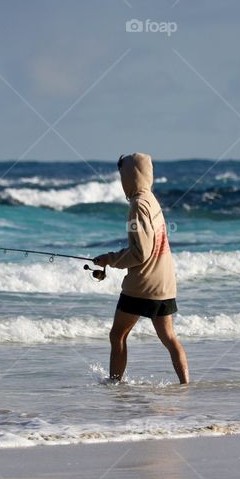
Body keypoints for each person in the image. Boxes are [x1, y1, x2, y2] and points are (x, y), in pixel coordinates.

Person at [94, 153, 190, 384]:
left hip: (142, 285)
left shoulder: (138, 205)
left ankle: (115, 384)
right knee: (169, 338)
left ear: (129, 175)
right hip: (164, 282)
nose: (121, 180)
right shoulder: (152, 199)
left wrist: (110, 259)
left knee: (117, 334)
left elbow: (141, 253)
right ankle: (186, 386)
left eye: (122, 175)